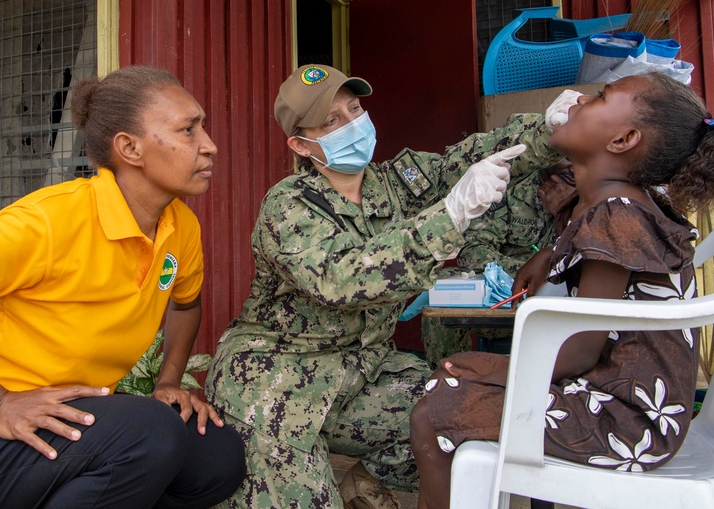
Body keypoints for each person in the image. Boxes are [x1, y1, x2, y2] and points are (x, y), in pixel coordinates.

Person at [0, 65, 246, 509]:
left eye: (204, 127)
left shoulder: (181, 227)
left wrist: (169, 381)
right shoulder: (46, 222)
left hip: (70, 423)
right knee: (149, 432)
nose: (210, 145)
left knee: (217, 456)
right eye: (188, 130)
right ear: (129, 148)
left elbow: (185, 303)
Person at [205, 64, 568, 509]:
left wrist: (548, 128)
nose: (353, 124)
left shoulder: (396, 183)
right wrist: (449, 217)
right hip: (277, 383)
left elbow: (470, 156)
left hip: (363, 373)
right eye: (333, 121)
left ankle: (361, 486)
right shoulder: (288, 206)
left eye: (354, 108)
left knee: (462, 421)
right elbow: (344, 278)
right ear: (301, 144)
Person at [410, 73, 714, 508]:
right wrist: (548, 253)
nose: (581, 98)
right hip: (617, 402)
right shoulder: (620, 206)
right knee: (455, 384)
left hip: (628, 422)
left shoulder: (617, 217)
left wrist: (493, 368)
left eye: (601, 97)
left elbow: (580, 351)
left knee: (435, 407)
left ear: (623, 139)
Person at [420, 161, 576, 366]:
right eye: (565, 155)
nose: (572, 164)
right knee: (439, 304)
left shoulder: (593, 192)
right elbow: (473, 252)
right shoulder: (506, 188)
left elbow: (592, 255)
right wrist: (526, 271)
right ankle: (448, 380)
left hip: (561, 304)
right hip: (503, 301)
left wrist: (565, 214)